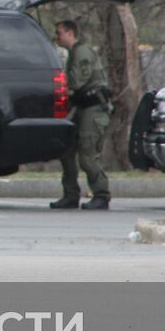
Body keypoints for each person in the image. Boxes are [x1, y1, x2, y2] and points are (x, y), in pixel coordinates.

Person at [51, 19, 113, 210]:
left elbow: (76, 81)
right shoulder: (73, 53)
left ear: (70, 33)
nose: (57, 36)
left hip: (94, 109)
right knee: (67, 151)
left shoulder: (82, 52)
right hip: (81, 108)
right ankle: (70, 195)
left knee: (87, 154)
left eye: (59, 32)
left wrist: (57, 82)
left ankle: (101, 195)